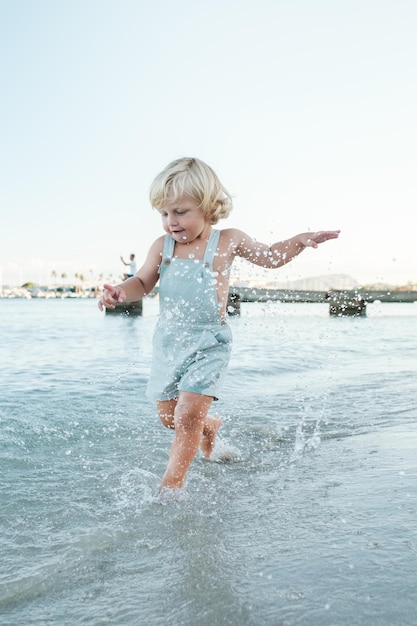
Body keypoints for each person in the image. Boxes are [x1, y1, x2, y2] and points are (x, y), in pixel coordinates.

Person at [99, 157, 340, 492]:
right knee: (170, 416)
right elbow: (142, 283)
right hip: (168, 343)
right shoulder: (162, 246)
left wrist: (299, 241)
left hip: (209, 342)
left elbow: (269, 256)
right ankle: (209, 426)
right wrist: (119, 293)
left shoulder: (227, 240)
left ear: (209, 208)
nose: (171, 221)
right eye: (165, 213)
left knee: (186, 416)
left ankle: (171, 487)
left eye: (180, 212)